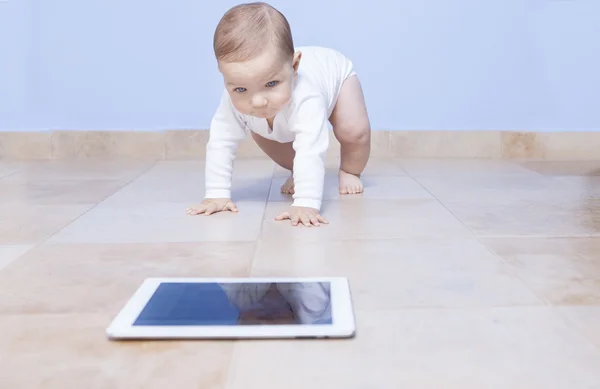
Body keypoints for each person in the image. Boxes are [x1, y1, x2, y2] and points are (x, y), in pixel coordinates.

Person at [186, 2, 371, 227]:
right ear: (224, 76)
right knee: (270, 136)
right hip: (280, 117)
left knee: (354, 131)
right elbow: (220, 143)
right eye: (240, 89)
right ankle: (299, 172)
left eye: (271, 83)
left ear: (294, 67)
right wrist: (216, 193)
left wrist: (306, 201)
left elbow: (310, 148)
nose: (257, 101)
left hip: (338, 81)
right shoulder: (232, 101)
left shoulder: (306, 95)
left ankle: (350, 171)